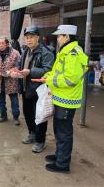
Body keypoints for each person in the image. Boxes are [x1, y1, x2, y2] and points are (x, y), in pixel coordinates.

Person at [43, 25, 88, 173]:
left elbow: (70, 79)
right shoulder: (66, 52)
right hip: (61, 98)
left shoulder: (73, 54)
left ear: (67, 37)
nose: (57, 39)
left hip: (67, 99)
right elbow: (59, 72)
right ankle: (59, 155)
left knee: (64, 132)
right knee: (59, 129)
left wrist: (50, 81)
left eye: (59, 36)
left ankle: (62, 164)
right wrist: (49, 76)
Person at [19, 26, 54, 153]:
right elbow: (20, 65)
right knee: (28, 114)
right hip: (26, 89)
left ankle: (40, 141)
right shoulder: (25, 51)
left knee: (39, 117)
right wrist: (16, 72)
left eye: (31, 37)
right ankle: (32, 134)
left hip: (39, 91)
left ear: (37, 37)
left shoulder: (46, 52)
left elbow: (48, 71)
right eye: (27, 38)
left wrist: (30, 71)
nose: (29, 40)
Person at [0, 37, 21, 125]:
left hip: (11, 81)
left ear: (7, 44)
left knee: (14, 101)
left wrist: (12, 70)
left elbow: (19, 65)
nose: (0, 45)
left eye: (2, 43)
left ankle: (16, 117)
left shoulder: (15, 53)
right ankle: (3, 116)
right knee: (0, 101)